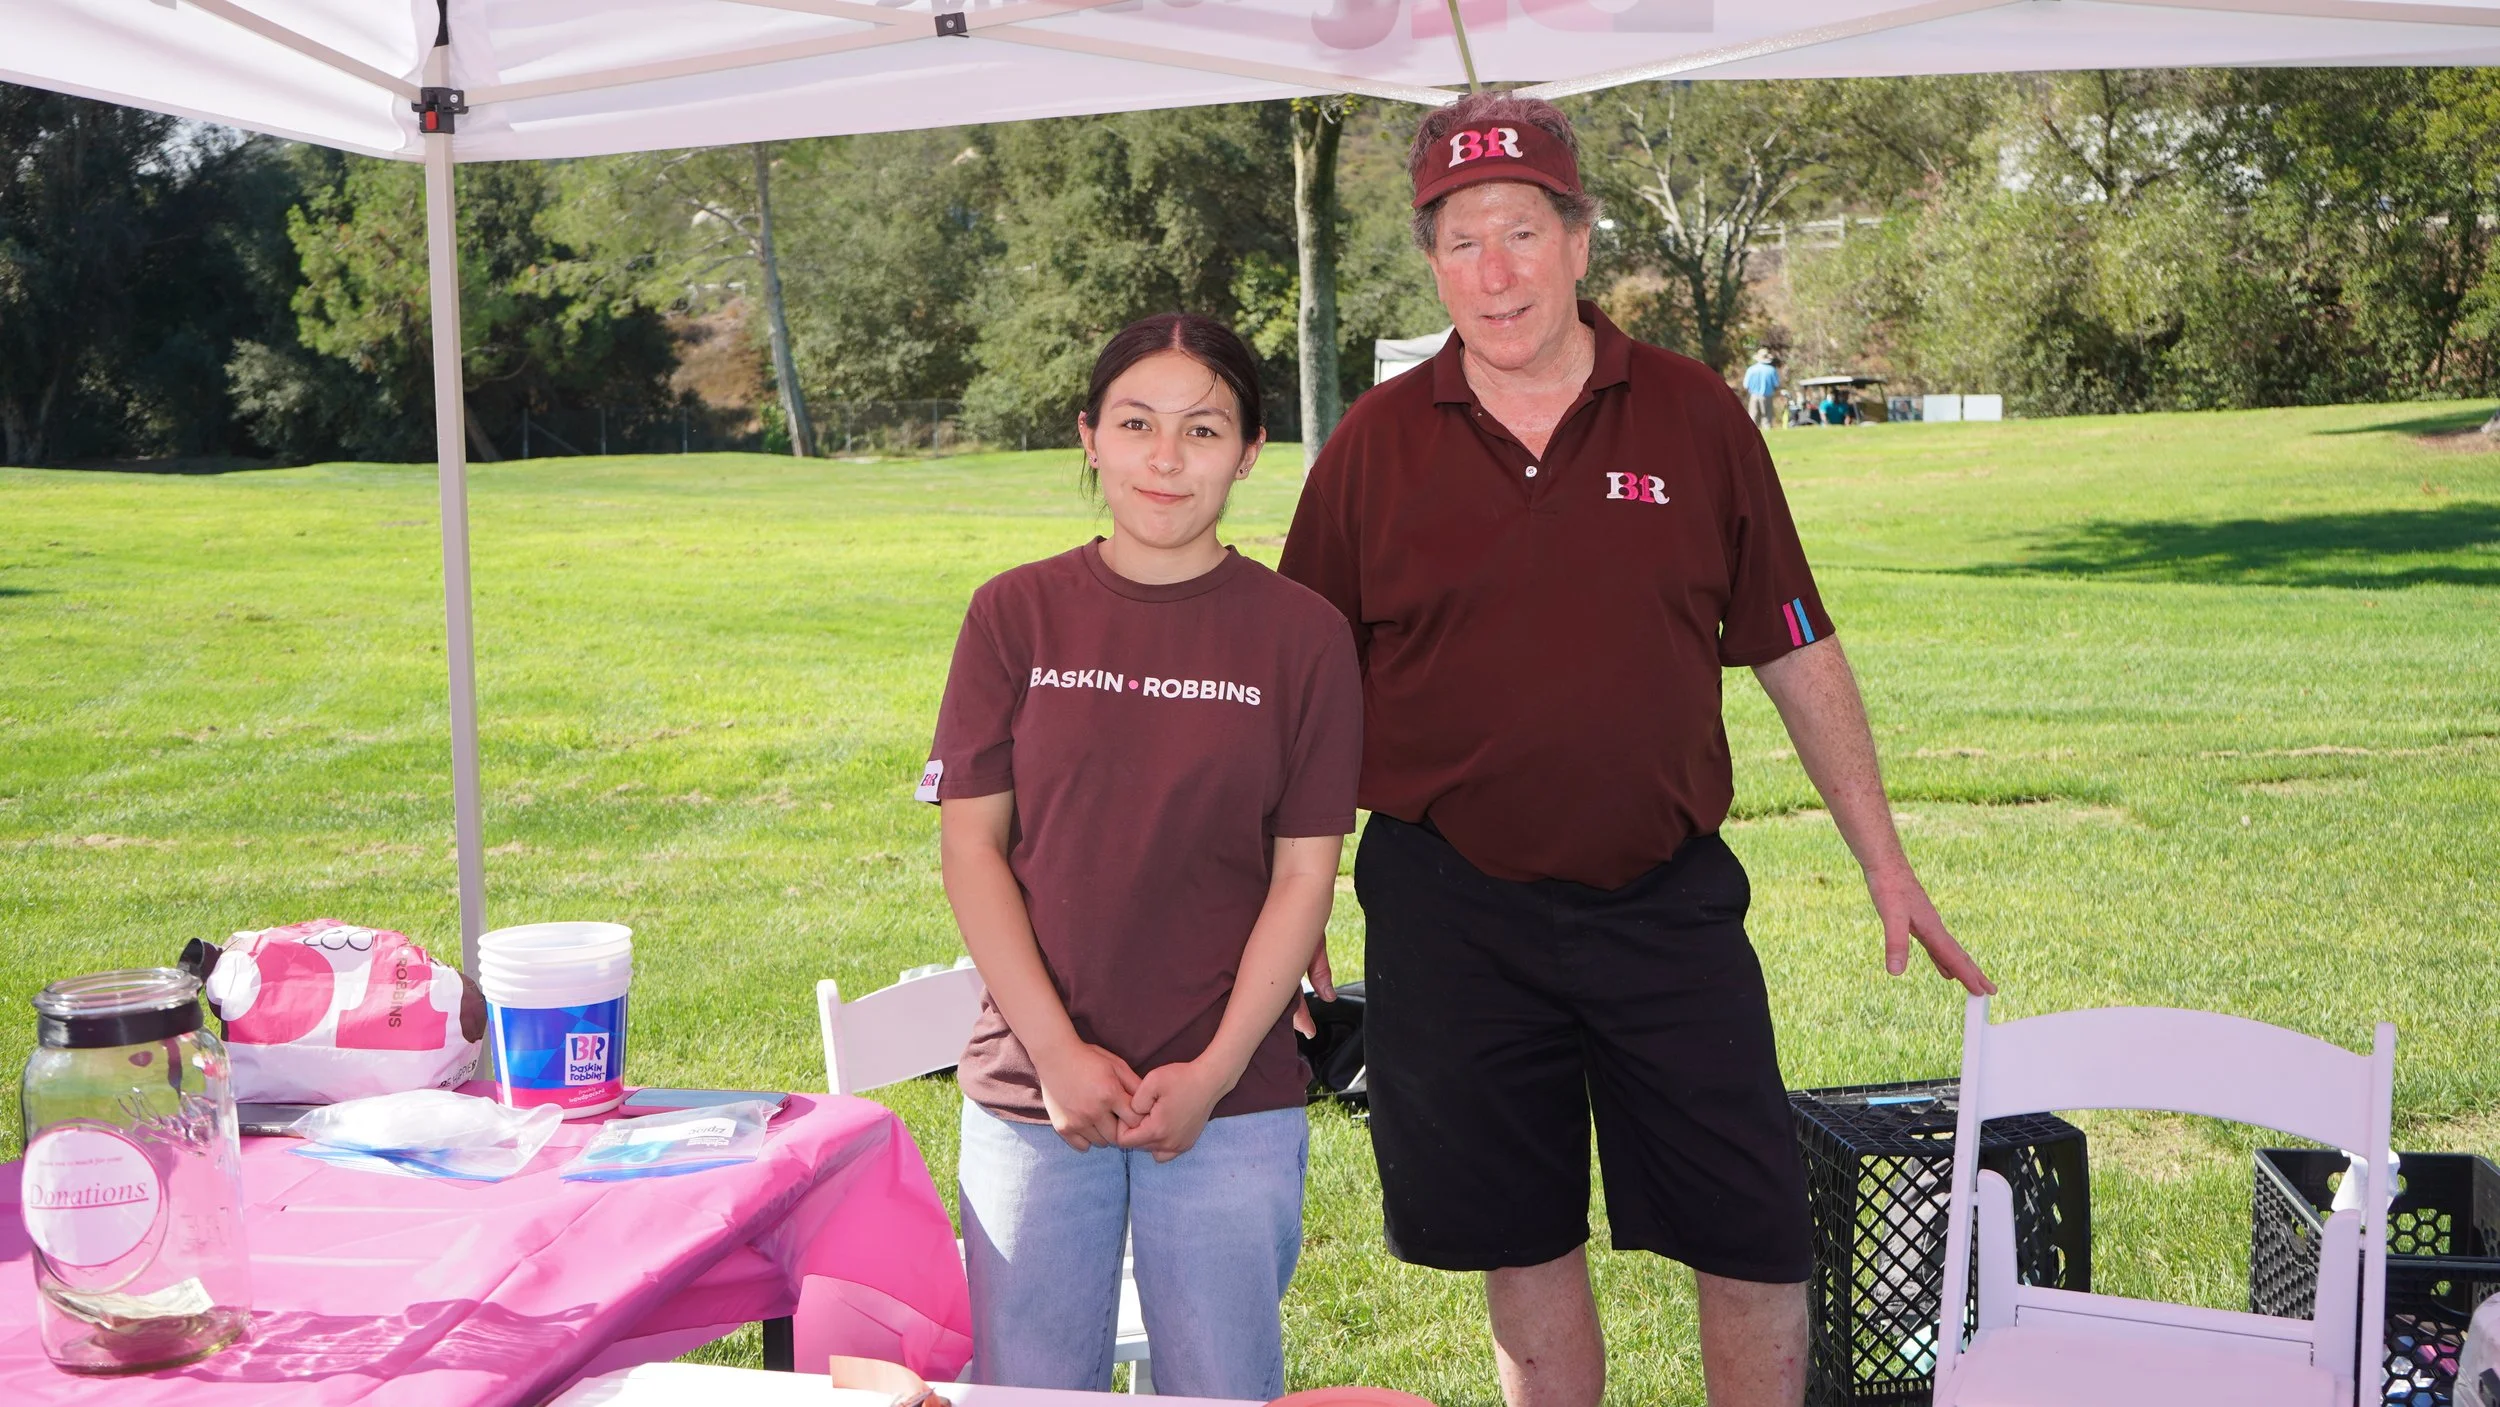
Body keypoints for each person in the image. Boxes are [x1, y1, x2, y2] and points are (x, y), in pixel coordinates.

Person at [1279, 92, 1995, 1407]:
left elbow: (1794, 642)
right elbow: (1307, 684)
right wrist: (1297, 887)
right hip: (1453, 905)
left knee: (1754, 1227)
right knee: (1522, 1234)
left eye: (1520, 232)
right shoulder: (1373, 447)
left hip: (1664, 898)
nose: (1492, 273)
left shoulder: (1690, 412)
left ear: (1580, 237)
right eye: (1458, 242)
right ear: (1431, 258)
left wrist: (1886, 862)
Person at [924, 313, 1362, 1400]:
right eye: (1136, 424)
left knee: (1221, 1386)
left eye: (1202, 429)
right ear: (1089, 437)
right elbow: (972, 851)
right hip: (1033, 1093)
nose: (1165, 459)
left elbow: (1305, 874)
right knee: (1029, 1388)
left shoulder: (1302, 635)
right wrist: (1059, 1053)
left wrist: (1212, 1073)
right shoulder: (1012, 614)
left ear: (1250, 452)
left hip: (1233, 1095)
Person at [1743, 349, 1782, 429]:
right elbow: (1776, 384)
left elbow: (1746, 385)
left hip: (1754, 396)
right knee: (1767, 419)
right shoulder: (1771, 370)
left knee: (1753, 418)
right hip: (1767, 396)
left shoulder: (1751, 369)